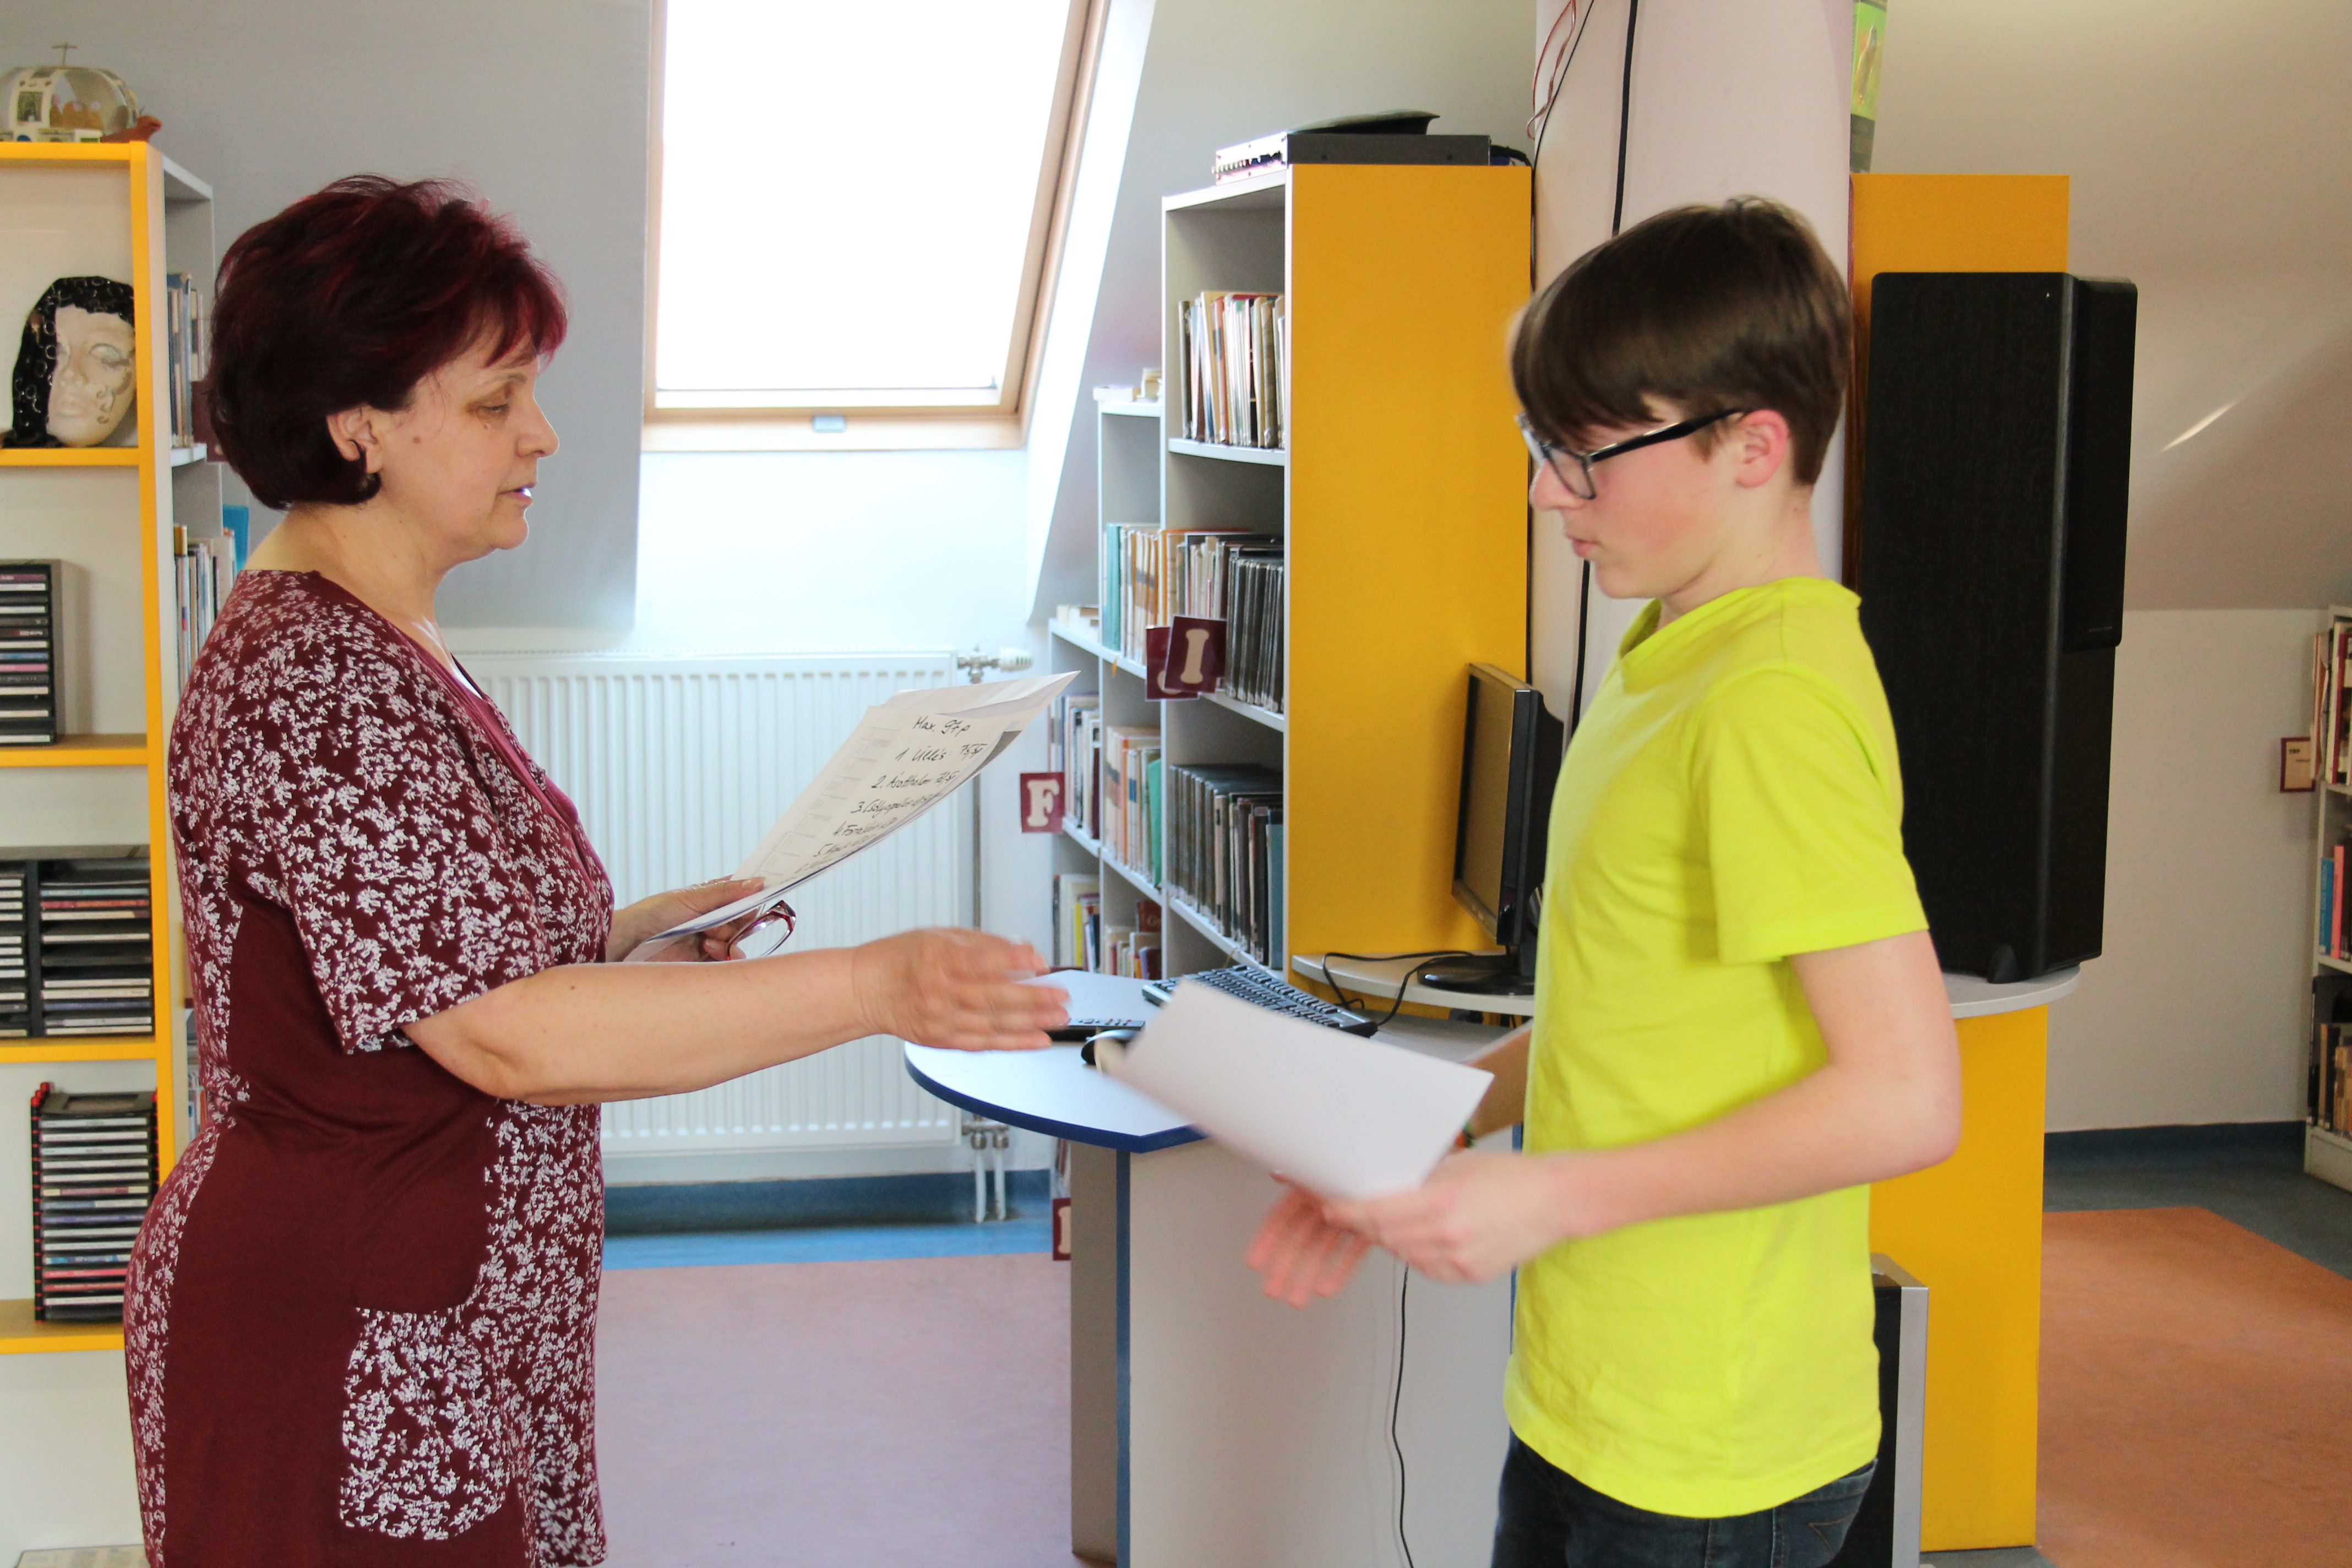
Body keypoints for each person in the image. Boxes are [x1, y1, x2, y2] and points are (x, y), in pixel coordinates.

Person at [124, 175, 1066, 1568]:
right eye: (496, 400)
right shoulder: (312, 677)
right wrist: (877, 984)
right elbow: (504, 1034)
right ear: (357, 423)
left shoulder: (389, 639)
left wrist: (620, 943)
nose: (543, 434)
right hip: (342, 1336)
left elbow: (427, 959)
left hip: (445, 1326)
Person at [1246, 198, 1962, 1567]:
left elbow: (1907, 1095)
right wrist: (1429, 1122)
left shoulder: (1771, 704)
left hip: (1713, 1444)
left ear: (1754, 445)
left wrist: (1548, 1195)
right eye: (1541, 446)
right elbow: (1625, 1012)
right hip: (1596, 1396)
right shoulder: (1666, 654)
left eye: (1585, 455)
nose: (1544, 493)